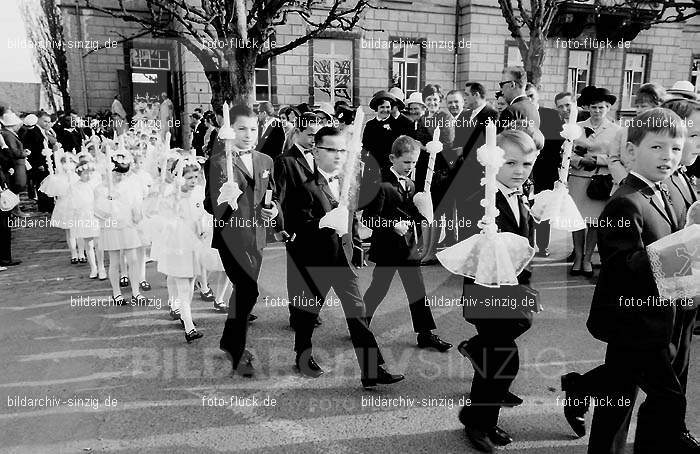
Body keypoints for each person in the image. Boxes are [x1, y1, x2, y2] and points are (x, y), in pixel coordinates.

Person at [560, 108, 692, 454]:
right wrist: (686, 248)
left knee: (617, 396)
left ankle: (582, 397)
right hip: (633, 319)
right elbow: (624, 266)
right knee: (667, 397)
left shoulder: (669, 189)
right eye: (657, 147)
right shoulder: (623, 203)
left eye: (675, 149)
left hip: (664, 313)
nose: (668, 156)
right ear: (631, 152)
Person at [285, 125, 405, 388]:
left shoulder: (348, 182)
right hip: (314, 260)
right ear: (316, 152)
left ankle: (372, 369)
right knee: (308, 313)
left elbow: (369, 205)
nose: (338, 155)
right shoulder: (304, 188)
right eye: (331, 150)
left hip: (342, 259)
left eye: (342, 150)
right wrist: (322, 222)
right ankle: (302, 355)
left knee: (357, 313)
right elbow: (295, 227)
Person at [457, 129, 539, 453]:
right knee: (502, 362)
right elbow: (466, 246)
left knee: (500, 354)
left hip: (513, 287)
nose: (520, 170)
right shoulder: (481, 200)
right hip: (487, 291)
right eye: (511, 162)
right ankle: (477, 422)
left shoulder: (517, 193)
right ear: (492, 161)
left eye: (527, 163)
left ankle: (476, 352)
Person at [204, 104, 281, 377]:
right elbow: (210, 205)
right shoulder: (217, 162)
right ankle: (237, 352)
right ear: (230, 130)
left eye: (253, 129)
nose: (248, 134)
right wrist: (224, 199)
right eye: (241, 129)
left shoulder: (266, 161)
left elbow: (270, 195)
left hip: (257, 235)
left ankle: (229, 341)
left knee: (243, 293)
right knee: (249, 290)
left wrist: (274, 209)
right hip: (230, 236)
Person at [361, 135, 452, 351]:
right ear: (393, 158)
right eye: (406, 163)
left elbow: (410, 214)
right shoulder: (381, 184)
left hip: (408, 247)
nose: (410, 167)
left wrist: (424, 214)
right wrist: (392, 225)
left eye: (414, 162)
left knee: (417, 290)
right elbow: (368, 218)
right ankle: (360, 324)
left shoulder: (411, 183)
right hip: (387, 249)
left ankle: (425, 333)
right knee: (378, 289)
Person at [660, 97, 700, 446]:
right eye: (696, 134)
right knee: (643, 371)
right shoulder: (665, 182)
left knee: (677, 368)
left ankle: (673, 429)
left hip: (686, 291)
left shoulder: (684, 177)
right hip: (668, 293)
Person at [273, 112, 325, 327]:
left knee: (319, 270)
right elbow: (278, 196)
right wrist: (279, 226)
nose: (314, 138)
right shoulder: (285, 161)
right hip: (295, 224)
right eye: (310, 134)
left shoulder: (322, 156)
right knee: (298, 274)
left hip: (320, 223)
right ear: (297, 133)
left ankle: (312, 310)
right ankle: (297, 316)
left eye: (317, 134)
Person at [569, 87, 622, 277]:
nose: (597, 111)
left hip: (600, 181)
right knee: (576, 221)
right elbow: (566, 153)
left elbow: (618, 157)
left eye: (601, 107)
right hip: (578, 178)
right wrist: (579, 160)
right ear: (588, 107)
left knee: (595, 222)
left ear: (608, 108)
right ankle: (577, 256)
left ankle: (587, 258)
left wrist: (597, 160)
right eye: (593, 107)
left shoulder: (617, 130)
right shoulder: (577, 127)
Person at [157, 156, 205, 343]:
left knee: (191, 283)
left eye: (195, 177)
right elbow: (164, 220)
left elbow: (202, 214)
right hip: (178, 244)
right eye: (188, 177)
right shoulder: (172, 196)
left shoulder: (199, 192)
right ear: (179, 177)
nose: (193, 181)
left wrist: (202, 228)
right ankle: (189, 327)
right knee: (183, 285)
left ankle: (185, 314)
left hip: (195, 243)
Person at [93, 149, 146, 306]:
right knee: (115, 261)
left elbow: (136, 205)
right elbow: (99, 212)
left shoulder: (130, 186)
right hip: (111, 227)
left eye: (124, 174)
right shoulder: (100, 189)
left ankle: (136, 292)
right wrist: (108, 200)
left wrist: (137, 215)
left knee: (133, 259)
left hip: (128, 225)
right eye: (117, 173)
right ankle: (116, 292)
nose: (121, 177)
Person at [451, 82, 499, 240]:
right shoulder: (464, 115)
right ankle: (464, 243)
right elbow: (457, 141)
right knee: (463, 211)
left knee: (477, 212)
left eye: (467, 94)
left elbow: (490, 143)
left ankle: (477, 244)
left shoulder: (491, 114)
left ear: (476, 95)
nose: (464, 98)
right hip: (462, 172)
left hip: (480, 173)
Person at [526, 83, 564, 257]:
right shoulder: (518, 114)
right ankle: (526, 245)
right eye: (525, 97)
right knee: (525, 209)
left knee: (543, 209)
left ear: (538, 96)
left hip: (545, 170)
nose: (528, 100)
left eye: (531, 96)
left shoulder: (550, 115)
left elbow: (557, 146)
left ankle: (542, 245)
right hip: (524, 168)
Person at [0, 110, 30, 217]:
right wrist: (23, 153)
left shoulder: (9, 134)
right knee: (16, 185)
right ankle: (14, 209)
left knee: (17, 185)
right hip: (16, 164)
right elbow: (13, 151)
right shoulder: (8, 135)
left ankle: (15, 208)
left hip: (17, 163)